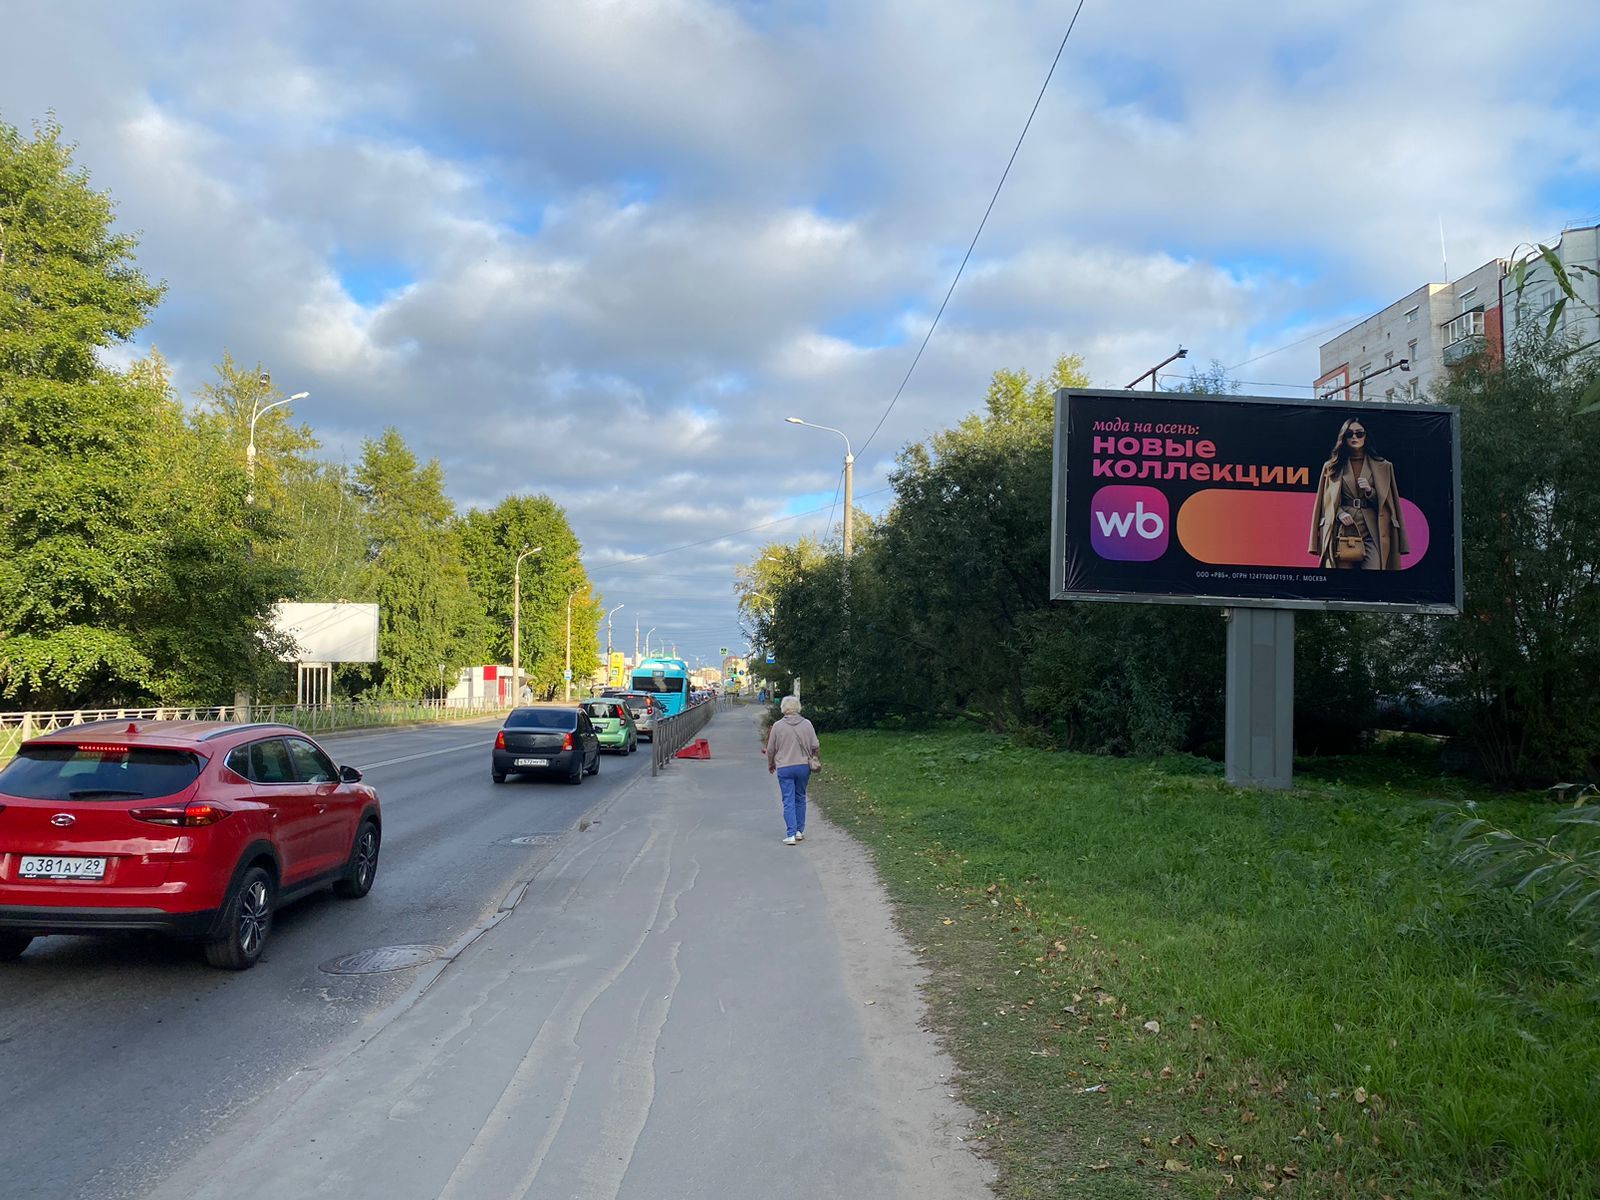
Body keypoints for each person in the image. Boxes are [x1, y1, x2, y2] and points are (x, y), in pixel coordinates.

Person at [1308, 416, 1410, 570]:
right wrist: (1339, 513)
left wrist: (1370, 491)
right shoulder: (1332, 466)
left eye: (1359, 433)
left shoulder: (1384, 466)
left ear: (1366, 436)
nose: (1354, 437)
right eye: (1349, 434)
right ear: (1344, 437)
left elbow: (1390, 504)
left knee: (1374, 574)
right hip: (1342, 529)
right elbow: (1325, 501)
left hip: (1373, 529)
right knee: (1342, 583)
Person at [766, 694, 820, 846]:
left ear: (783, 708)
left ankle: (790, 834)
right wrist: (815, 758)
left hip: (784, 767)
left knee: (788, 799)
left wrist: (771, 764)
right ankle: (799, 831)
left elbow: (771, 749)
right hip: (803, 766)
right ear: (798, 707)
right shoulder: (807, 724)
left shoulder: (777, 726)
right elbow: (815, 745)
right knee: (800, 797)